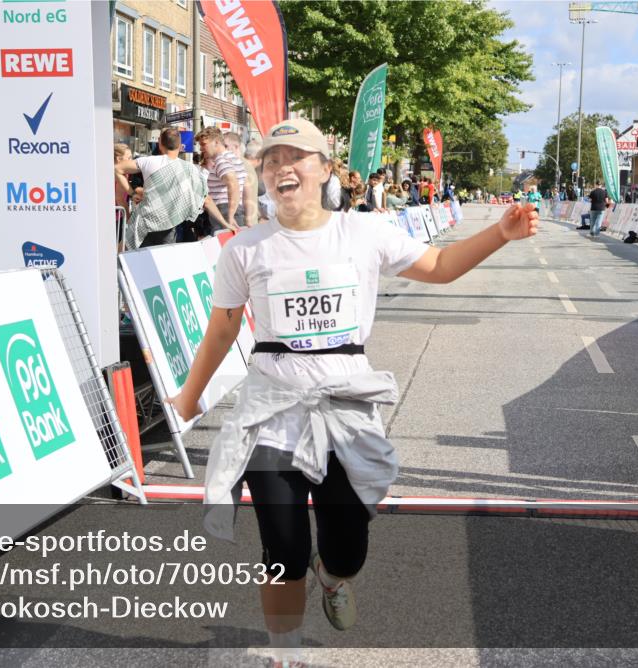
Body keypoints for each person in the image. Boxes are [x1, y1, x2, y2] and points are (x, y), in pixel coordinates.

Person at [166, 118, 537, 664]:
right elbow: (223, 326)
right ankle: (285, 652)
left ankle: (333, 577)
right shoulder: (245, 248)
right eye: (271, 160)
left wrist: (498, 235)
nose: (281, 168)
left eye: (296, 157)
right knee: (282, 546)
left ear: (324, 169)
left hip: (345, 406)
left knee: (346, 545)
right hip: (274, 406)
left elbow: (437, 265)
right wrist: (190, 394)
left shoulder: (365, 233)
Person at [116, 127, 229, 248]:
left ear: (160, 144)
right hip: (169, 226)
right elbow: (206, 200)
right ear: (180, 146)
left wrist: (132, 194)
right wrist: (226, 223)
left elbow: (117, 168)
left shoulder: (148, 161)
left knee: (131, 261)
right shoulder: (190, 170)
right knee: (162, 263)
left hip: (143, 225)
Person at [196, 126, 245, 232]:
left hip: (224, 211)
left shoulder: (221, 160)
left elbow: (233, 184)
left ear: (217, 142)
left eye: (204, 144)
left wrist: (230, 215)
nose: (201, 148)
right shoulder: (231, 157)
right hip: (230, 210)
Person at [224, 131, 259, 226]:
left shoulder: (240, 165)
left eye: (226, 146)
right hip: (242, 221)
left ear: (236, 147)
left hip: (242, 222)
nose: (223, 149)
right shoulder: (240, 164)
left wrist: (248, 222)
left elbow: (248, 196)